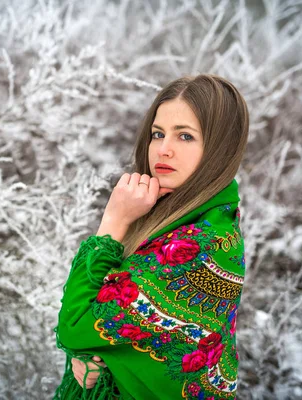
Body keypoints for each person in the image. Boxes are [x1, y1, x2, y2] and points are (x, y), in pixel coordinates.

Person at [53, 74, 249, 399]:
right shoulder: (179, 213)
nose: (163, 150)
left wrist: (113, 221)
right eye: (158, 134)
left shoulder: (199, 243)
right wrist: (92, 353)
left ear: (219, 149)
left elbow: (76, 325)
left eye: (185, 136)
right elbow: (102, 326)